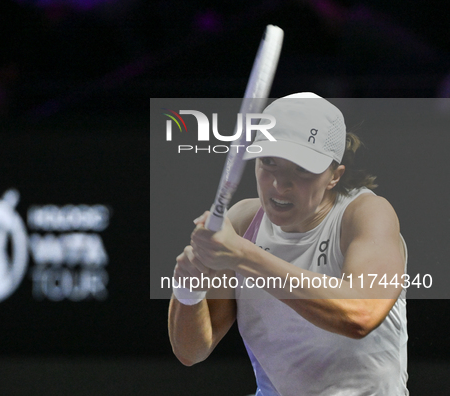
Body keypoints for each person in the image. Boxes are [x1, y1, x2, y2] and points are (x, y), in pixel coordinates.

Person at [168, 93, 408, 395]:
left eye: (302, 169)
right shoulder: (242, 222)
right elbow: (191, 352)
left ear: (335, 175)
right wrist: (188, 288)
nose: (280, 184)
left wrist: (244, 256)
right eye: (269, 163)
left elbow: (360, 315)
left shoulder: (365, 214)